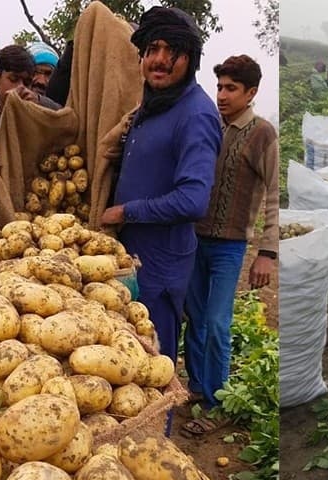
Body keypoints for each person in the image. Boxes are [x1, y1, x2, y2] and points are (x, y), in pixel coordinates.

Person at [99, 6, 222, 369]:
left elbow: (193, 200)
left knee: (155, 365)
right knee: (128, 361)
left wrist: (126, 211)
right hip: (133, 258)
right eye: (152, 49)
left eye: (173, 51)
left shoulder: (196, 114)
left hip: (160, 267)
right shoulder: (151, 106)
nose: (160, 60)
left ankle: (168, 410)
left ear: (190, 59)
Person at [182, 55, 279, 435]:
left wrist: (267, 253)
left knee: (217, 323)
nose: (222, 95)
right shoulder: (209, 125)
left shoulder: (262, 133)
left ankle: (217, 402)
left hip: (229, 246)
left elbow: (274, 194)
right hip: (194, 240)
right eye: (219, 87)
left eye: (231, 88)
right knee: (195, 317)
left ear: (251, 92)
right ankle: (196, 387)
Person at [0, 45, 60, 205]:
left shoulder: (38, 107)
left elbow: (64, 120)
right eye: (13, 79)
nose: (20, 88)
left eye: (26, 82)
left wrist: (38, 104)